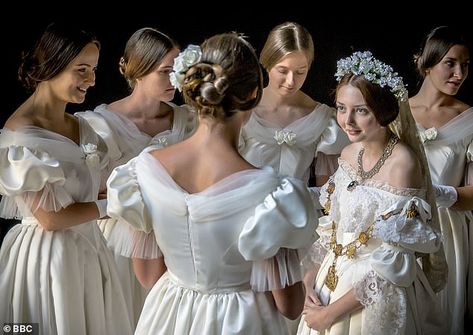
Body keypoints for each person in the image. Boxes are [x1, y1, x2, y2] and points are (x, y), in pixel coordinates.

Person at [106, 32, 318, 335]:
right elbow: (290, 306)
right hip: (243, 320)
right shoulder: (273, 194)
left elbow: (148, 275)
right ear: (251, 95)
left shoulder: (145, 169)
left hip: (170, 315)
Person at [297, 51, 446, 335]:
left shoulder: (403, 164)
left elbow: (394, 262)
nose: (347, 120)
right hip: (331, 280)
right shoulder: (349, 153)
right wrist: (308, 285)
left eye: (361, 110)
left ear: (384, 109)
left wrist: (329, 315)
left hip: (373, 292)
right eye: (341, 108)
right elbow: (333, 231)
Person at [0, 23, 132, 334]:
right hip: (49, 258)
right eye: (82, 69)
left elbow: (88, 191)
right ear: (51, 66)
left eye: (94, 69)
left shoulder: (81, 127)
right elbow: (50, 219)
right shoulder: (21, 134)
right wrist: (113, 206)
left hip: (91, 248)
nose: (92, 80)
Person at [76, 27, 196, 327]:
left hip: (180, 239)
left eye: (177, 70)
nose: (174, 80)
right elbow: (91, 194)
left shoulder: (188, 120)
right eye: (164, 71)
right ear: (138, 71)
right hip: (121, 241)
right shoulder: (99, 124)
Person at [239, 21, 349, 203]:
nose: (291, 81)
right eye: (283, 70)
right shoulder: (242, 109)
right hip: (246, 215)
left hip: (299, 218)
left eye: (300, 72)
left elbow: (327, 192)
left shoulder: (322, 119)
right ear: (266, 62)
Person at [409, 25, 472, 334]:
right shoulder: (395, 113)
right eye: (451, 63)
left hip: (447, 230)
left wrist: (439, 194)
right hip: (400, 223)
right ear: (427, 63)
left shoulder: (470, 119)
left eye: (465, 65)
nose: (459, 73)